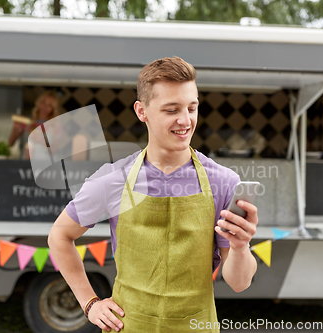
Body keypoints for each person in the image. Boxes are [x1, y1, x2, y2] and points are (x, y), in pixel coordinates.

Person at [48, 56, 258, 332]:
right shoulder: (113, 179)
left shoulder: (223, 182)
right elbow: (59, 236)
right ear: (141, 110)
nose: (185, 121)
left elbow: (239, 282)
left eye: (192, 108)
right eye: (171, 110)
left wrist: (241, 247)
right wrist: (90, 303)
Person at [8, 90, 61, 158]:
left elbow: (55, 150)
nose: (45, 107)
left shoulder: (56, 126)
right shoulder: (26, 121)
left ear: (53, 109)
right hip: (25, 163)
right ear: (38, 103)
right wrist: (15, 130)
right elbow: (10, 143)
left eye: (49, 105)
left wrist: (42, 141)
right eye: (43, 102)